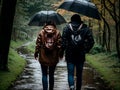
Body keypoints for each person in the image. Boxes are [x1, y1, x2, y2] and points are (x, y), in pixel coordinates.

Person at [61, 14, 95, 90]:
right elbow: (91, 41)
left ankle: (72, 87)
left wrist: (64, 50)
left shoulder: (66, 28)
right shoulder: (85, 29)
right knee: (79, 75)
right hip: (81, 55)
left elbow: (63, 42)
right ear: (80, 20)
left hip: (70, 55)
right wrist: (85, 49)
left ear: (71, 20)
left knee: (70, 74)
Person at [34, 21, 62, 90]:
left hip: (43, 55)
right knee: (51, 75)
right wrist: (60, 54)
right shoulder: (57, 32)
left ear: (45, 24)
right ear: (54, 24)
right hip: (54, 56)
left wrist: (36, 53)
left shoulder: (42, 32)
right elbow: (59, 45)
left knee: (44, 74)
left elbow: (38, 44)